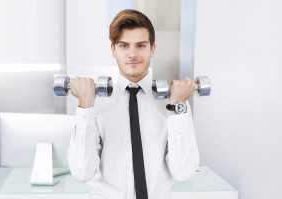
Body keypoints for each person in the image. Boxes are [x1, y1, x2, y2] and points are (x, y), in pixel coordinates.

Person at [67, 9, 199, 199]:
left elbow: (184, 173)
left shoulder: (172, 105)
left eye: (140, 45)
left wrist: (177, 106)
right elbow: (82, 173)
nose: (132, 54)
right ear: (113, 49)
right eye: (124, 45)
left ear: (152, 48)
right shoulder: (95, 104)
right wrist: (85, 106)